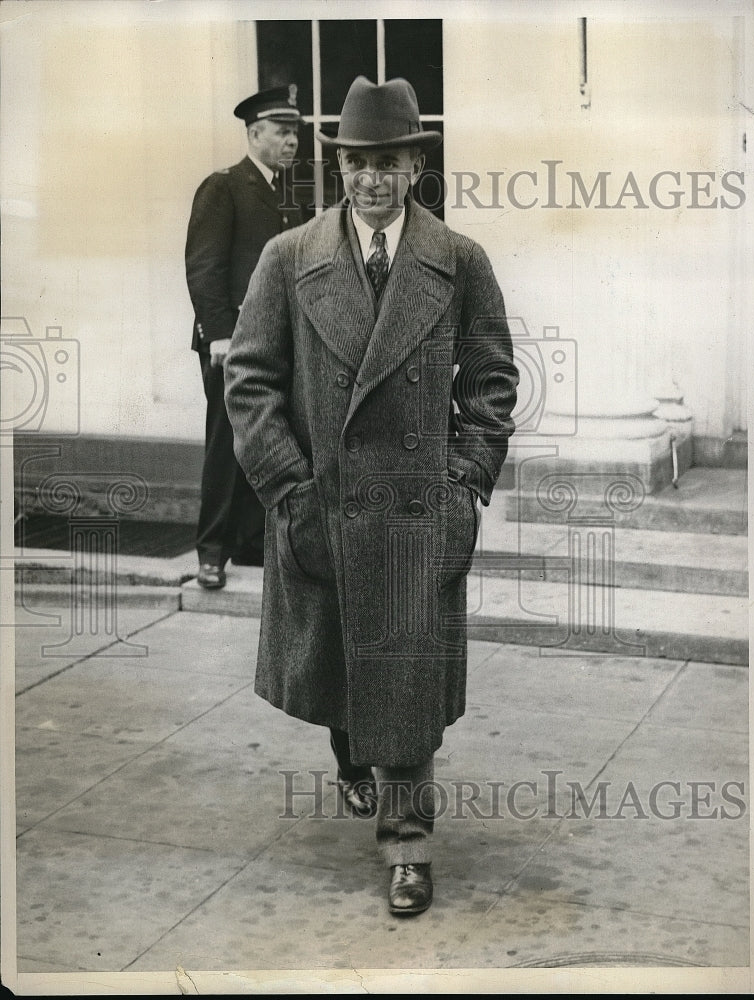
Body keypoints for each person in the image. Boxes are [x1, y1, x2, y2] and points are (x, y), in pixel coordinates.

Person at [224, 76, 518, 915]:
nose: (372, 180)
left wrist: (464, 484)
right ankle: (353, 754)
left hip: (419, 514)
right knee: (341, 673)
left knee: (405, 689)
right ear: (340, 168)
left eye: (388, 163)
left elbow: (492, 383)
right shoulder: (290, 258)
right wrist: (290, 489)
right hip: (323, 503)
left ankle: (408, 845)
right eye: (357, 164)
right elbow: (249, 381)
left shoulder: (459, 261)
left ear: (414, 167)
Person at [185, 84, 305, 589]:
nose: (292, 140)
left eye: (294, 132)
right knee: (225, 443)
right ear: (255, 135)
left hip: (276, 342)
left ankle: (253, 544)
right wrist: (218, 335)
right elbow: (204, 266)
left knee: (268, 437)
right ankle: (211, 552)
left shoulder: (288, 193)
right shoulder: (224, 186)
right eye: (282, 131)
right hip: (230, 344)